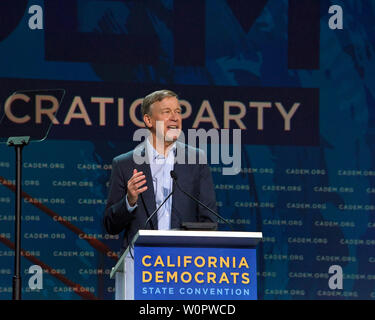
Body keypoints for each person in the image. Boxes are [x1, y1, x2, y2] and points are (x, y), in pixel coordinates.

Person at [103, 89, 217, 252]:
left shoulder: (196, 160)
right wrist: (129, 201)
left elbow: (209, 220)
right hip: (141, 260)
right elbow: (110, 225)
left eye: (178, 111)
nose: (175, 117)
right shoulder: (125, 164)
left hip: (185, 260)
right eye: (167, 112)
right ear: (148, 120)